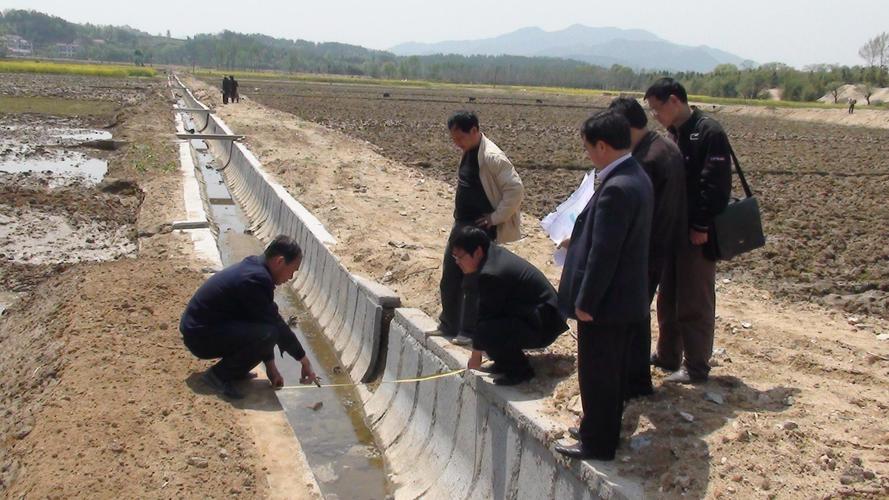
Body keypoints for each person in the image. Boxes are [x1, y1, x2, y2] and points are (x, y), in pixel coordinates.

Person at [555, 111, 653, 460]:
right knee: (611, 373)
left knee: (598, 375)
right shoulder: (635, 175)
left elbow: (604, 255)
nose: (587, 154)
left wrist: (587, 302)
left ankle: (597, 442)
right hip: (626, 300)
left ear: (601, 146)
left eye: (587, 147)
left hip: (607, 304)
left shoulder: (617, 188)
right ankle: (598, 429)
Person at [644, 77, 733, 384]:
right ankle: (668, 354)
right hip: (673, 229)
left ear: (674, 101)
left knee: (695, 298)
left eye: (657, 109)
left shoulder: (708, 132)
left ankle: (696, 365)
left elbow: (716, 186)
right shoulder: (674, 134)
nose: (655, 115)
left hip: (696, 233)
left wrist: (700, 225)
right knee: (668, 295)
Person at [607, 97, 686, 398]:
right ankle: (636, 376)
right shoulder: (664, 146)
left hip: (647, 248)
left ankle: (635, 380)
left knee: (633, 313)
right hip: (662, 244)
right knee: (640, 310)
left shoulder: (647, 158)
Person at [179, 235, 317, 399]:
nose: (291, 277)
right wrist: (304, 361)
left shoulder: (255, 268)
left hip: (204, 330)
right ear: (279, 262)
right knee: (269, 332)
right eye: (292, 271)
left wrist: (271, 368)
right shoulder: (256, 279)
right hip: (200, 337)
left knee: (265, 331)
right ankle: (217, 376)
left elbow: (259, 320)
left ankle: (235, 371)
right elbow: (274, 326)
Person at [438, 111, 524, 346]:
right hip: (461, 224)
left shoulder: (493, 157)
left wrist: (495, 218)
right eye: (453, 139)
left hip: (480, 230)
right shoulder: (468, 153)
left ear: (474, 131)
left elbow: (515, 190)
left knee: (473, 281)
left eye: (460, 138)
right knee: (450, 276)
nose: (457, 143)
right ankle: (449, 323)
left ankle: (468, 331)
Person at [451, 227, 568, 385]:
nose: (457, 262)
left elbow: (484, 317)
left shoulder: (491, 273)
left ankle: (520, 372)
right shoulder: (491, 254)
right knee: (489, 326)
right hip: (534, 315)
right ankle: (504, 363)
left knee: (486, 331)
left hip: (544, 325)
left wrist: (475, 357)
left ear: (477, 251)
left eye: (460, 257)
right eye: (454, 257)